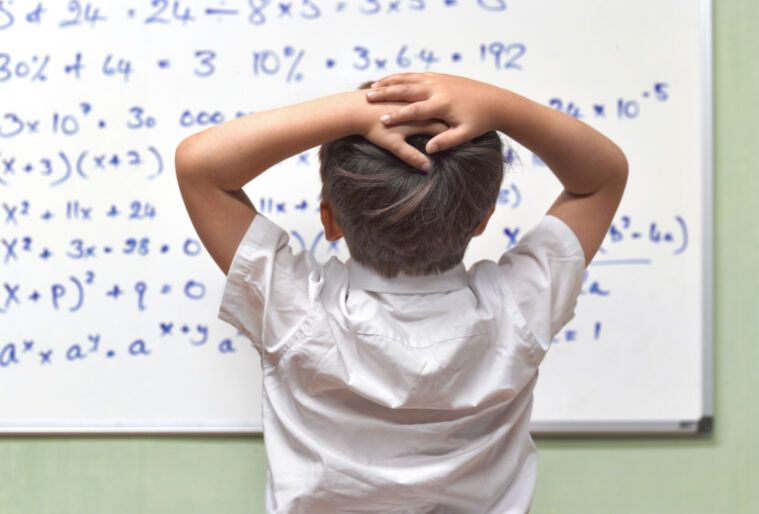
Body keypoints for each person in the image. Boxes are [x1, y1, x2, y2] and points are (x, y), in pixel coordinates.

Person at [175, 72, 627, 513]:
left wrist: (352, 112)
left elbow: (199, 164)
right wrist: (500, 107)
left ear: (329, 219)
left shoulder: (296, 312)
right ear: (484, 219)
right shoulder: (517, 310)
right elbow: (602, 179)